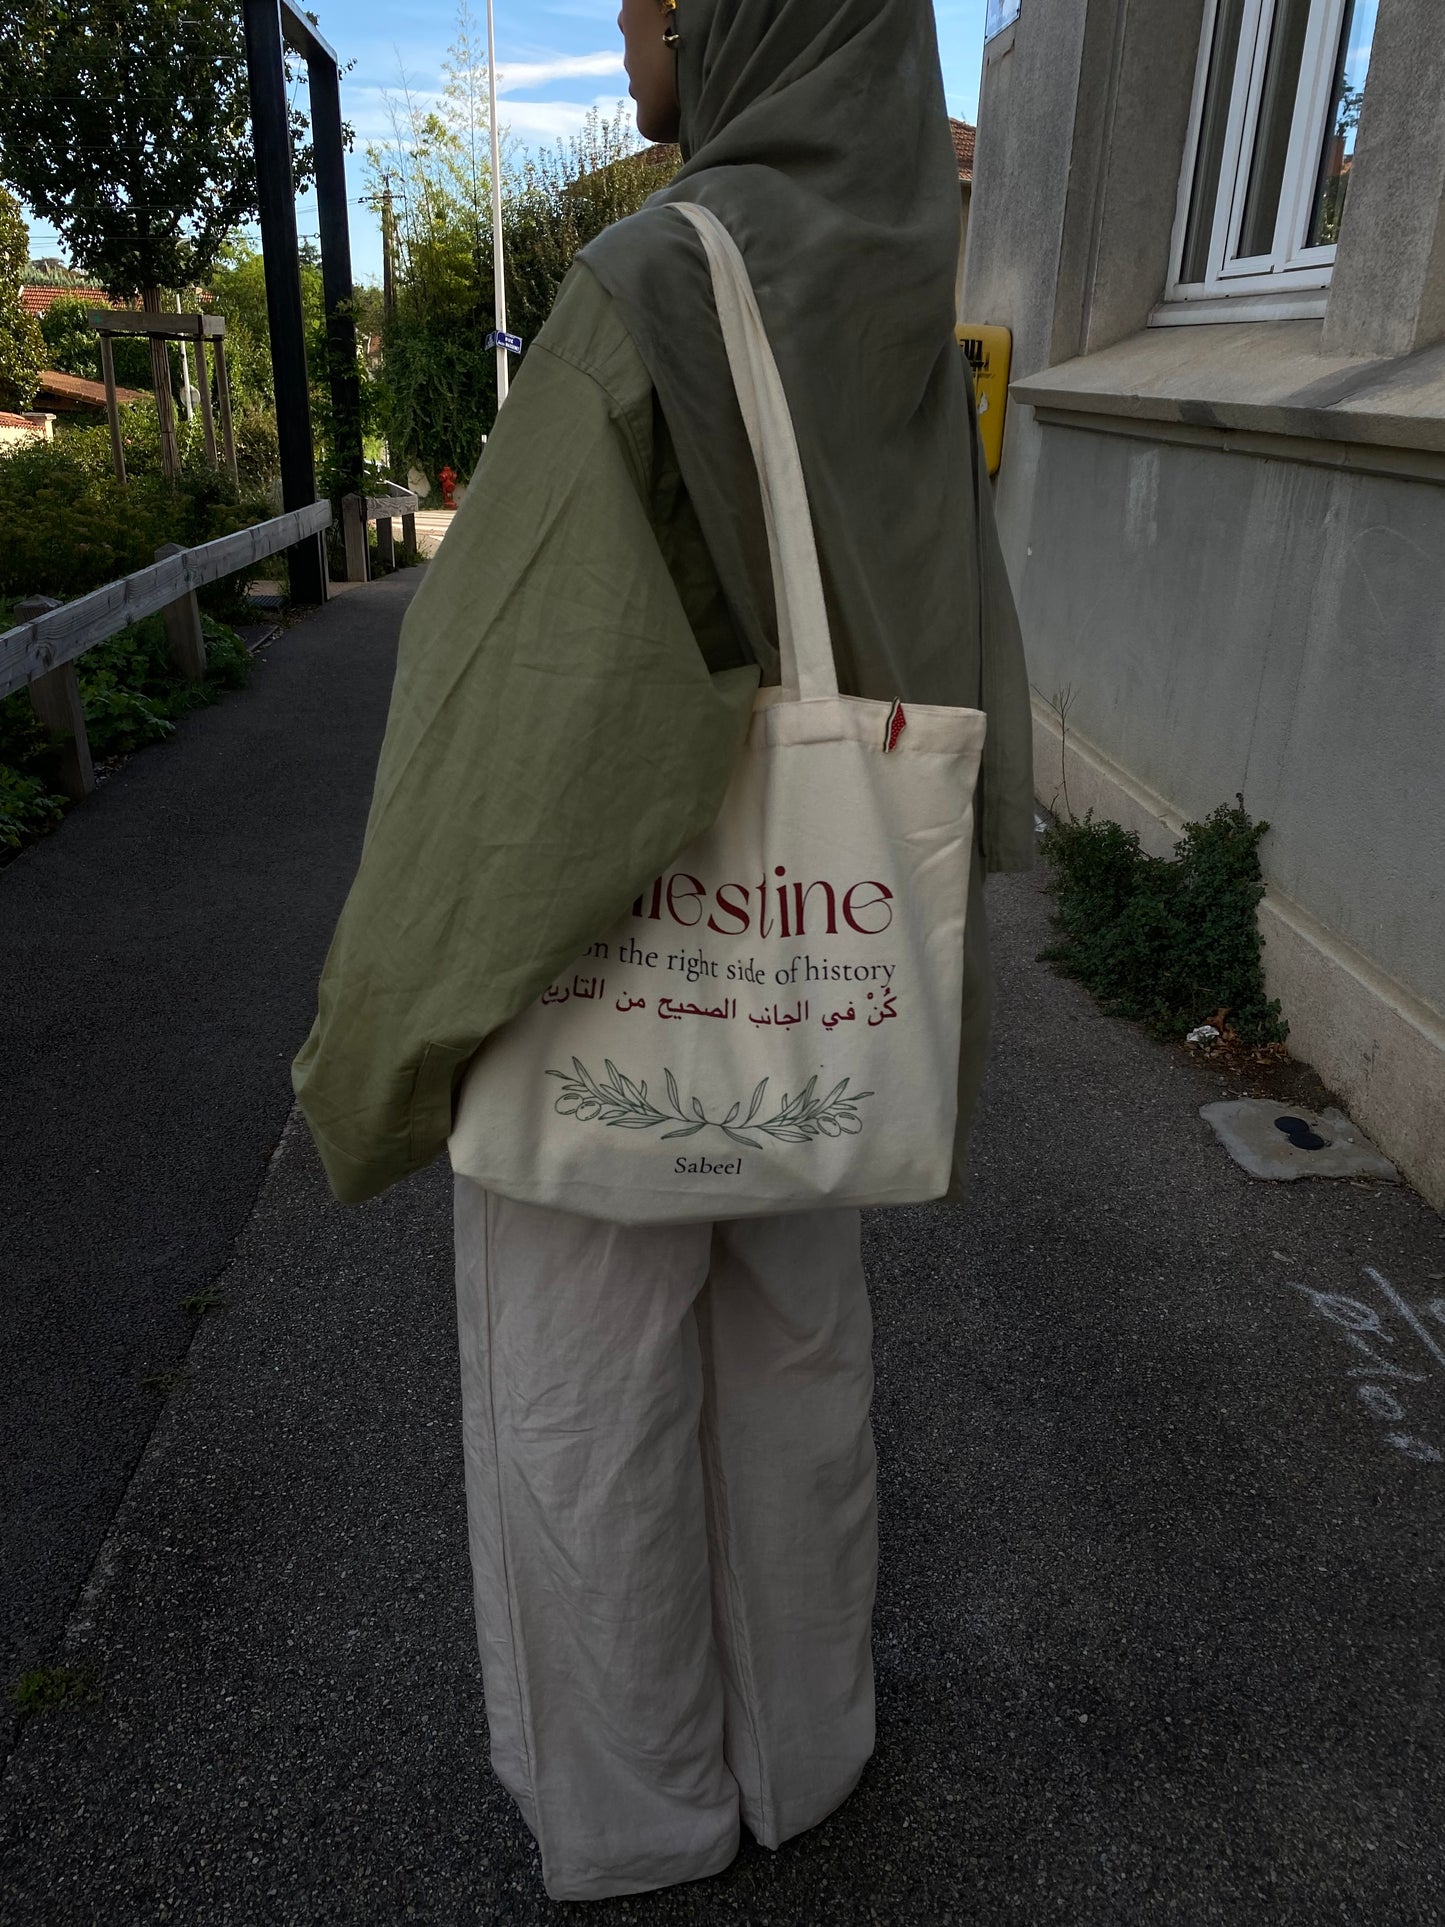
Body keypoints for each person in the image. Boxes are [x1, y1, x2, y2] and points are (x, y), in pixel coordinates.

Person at [293, 0, 1034, 1901]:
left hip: (604, 949)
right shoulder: (889, 271)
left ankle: (637, 1817)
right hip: (812, 967)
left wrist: (388, 1030)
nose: (630, 19)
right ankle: (804, 1752)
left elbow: (519, 704)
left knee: (584, 1398)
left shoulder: (653, 280)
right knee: (793, 1363)